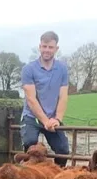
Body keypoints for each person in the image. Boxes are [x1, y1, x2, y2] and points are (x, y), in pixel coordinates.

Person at [20, 30, 71, 167]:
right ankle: (30, 176)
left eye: (50, 47)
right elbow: (31, 99)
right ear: (39, 46)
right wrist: (45, 121)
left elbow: (63, 96)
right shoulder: (28, 69)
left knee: (63, 150)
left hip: (53, 118)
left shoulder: (62, 69)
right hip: (32, 117)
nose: (46, 50)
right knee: (30, 143)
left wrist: (57, 119)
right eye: (44, 46)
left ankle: (56, 175)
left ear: (56, 48)